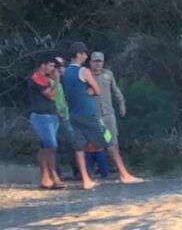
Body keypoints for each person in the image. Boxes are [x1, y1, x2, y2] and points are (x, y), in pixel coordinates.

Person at [62, 41, 143, 189]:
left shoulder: (65, 72)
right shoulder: (84, 72)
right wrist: (91, 91)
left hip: (74, 115)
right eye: (84, 54)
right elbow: (97, 90)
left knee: (79, 148)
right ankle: (124, 174)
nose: (85, 56)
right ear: (79, 54)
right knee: (109, 141)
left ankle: (86, 180)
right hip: (90, 115)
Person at [27, 57, 64, 189]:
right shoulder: (37, 78)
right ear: (43, 65)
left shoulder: (46, 79)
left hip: (50, 115)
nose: (52, 69)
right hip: (41, 116)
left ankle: (45, 176)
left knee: (45, 146)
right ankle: (54, 175)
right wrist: (58, 79)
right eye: (50, 66)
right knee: (51, 145)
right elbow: (51, 95)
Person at [88, 52, 126, 149]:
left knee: (112, 140)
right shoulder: (86, 75)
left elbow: (115, 90)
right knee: (96, 141)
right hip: (94, 114)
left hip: (108, 113)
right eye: (95, 61)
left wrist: (121, 103)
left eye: (100, 61)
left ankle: (114, 162)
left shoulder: (108, 74)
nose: (97, 64)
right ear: (90, 62)